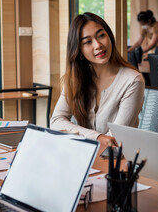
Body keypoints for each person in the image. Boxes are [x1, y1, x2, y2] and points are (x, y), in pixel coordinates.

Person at [50, 12, 145, 146]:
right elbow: (56, 121)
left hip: (118, 159)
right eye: (88, 42)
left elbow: (114, 139)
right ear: (79, 51)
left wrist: (80, 134)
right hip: (84, 154)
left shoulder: (132, 80)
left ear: (109, 37)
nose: (98, 45)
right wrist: (98, 137)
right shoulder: (75, 78)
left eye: (101, 35)